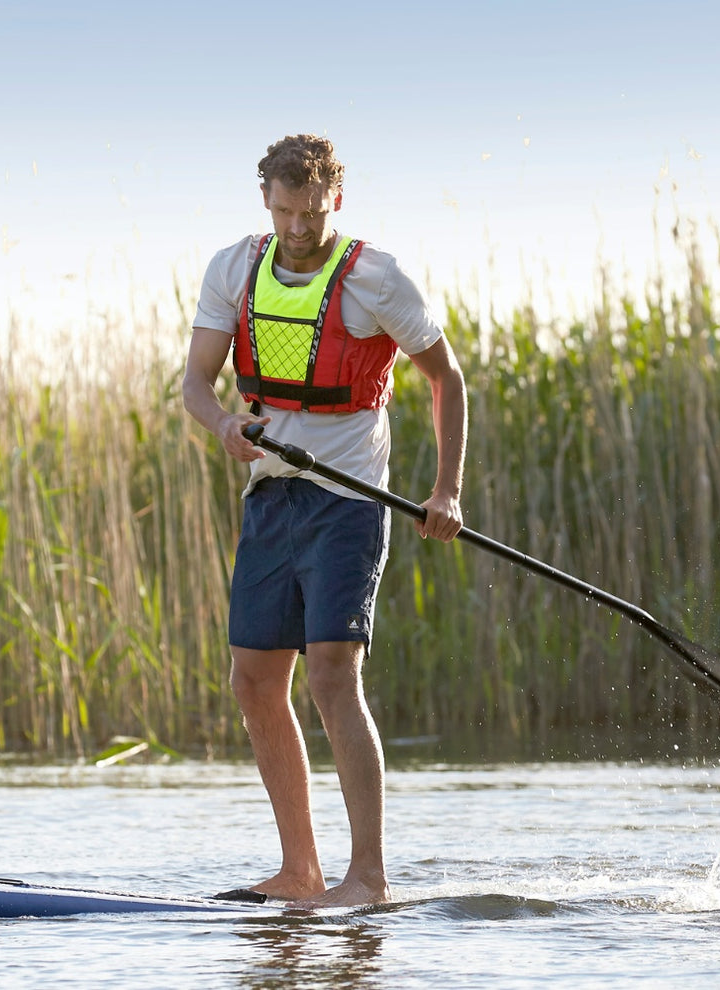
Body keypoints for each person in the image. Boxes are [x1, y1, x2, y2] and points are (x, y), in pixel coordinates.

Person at [182, 134, 467, 908]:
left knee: (333, 676)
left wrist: (446, 491)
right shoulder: (233, 269)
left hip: (349, 504)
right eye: (285, 212)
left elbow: (446, 378)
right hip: (271, 498)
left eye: (312, 212)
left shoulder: (375, 277)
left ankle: (367, 877)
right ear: (265, 200)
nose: (299, 229)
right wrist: (223, 427)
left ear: (334, 198)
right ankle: (300, 871)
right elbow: (196, 384)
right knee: (253, 680)